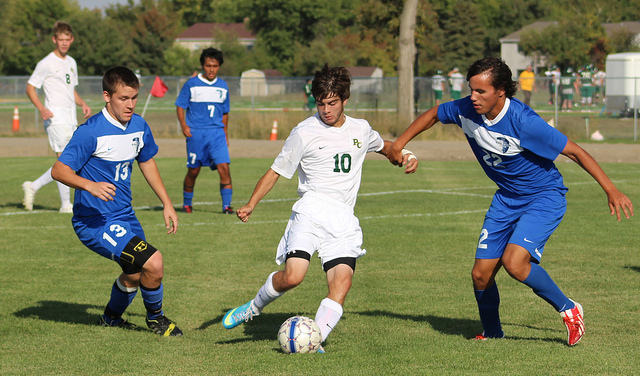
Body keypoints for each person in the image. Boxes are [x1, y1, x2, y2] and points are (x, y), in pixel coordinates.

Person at [387, 57, 633, 346]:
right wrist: (398, 144)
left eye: (481, 92)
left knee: (515, 263)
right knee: (480, 275)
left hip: (543, 197)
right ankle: (492, 332)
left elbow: (576, 152)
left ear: (501, 91)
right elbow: (433, 114)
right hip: (506, 199)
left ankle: (569, 308)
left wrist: (610, 189)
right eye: (471, 90)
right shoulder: (466, 108)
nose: (473, 98)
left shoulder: (524, 121)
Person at [221, 65, 418, 352]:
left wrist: (407, 155)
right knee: (293, 276)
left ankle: (315, 340)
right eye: (321, 103)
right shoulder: (304, 132)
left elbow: (386, 148)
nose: (326, 109)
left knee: (342, 283)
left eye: (332, 103)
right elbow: (276, 170)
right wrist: (251, 204)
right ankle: (254, 306)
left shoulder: (360, 129)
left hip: (343, 219)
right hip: (311, 211)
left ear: (345, 100)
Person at [51, 66, 183, 336]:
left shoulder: (139, 125)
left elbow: (146, 162)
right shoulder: (90, 131)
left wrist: (167, 203)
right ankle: (156, 319)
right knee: (154, 262)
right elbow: (59, 170)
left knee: (135, 274)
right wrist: (89, 185)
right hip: (95, 221)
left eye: (134, 97)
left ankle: (110, 319)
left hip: (124, 215)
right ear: (106, 96)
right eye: (123, 98)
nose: (130, 104)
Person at [23, 20, 92, 213]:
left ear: (72, 40)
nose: (64, 43)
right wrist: (41, 108)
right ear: (54, 39)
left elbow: (71, 90)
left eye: (67, 39)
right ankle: (65, 205)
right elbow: (30, 88)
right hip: (55, 118)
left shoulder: (71, 62)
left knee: (71, 161)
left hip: (70, 119)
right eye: (60, 39)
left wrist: (83, 103)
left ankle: (33, 186)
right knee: (65, 162)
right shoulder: (45, 63)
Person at [176, 48, 233, 214]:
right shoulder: (191, 84)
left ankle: (226, 206)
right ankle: (187, 203)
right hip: (197, 133)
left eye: (215, 66)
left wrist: (225, 134)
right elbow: (180, 106)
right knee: (194, 170)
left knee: (224, 168)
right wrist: (184, 126)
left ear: (219, 66)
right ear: (203, 65)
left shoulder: (223, 86)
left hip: (217, 134)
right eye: (208, 65)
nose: (211, 69)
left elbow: (225, 112)